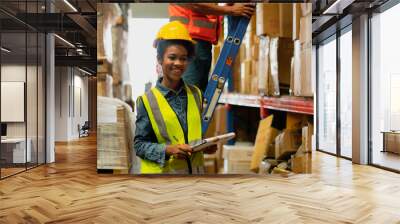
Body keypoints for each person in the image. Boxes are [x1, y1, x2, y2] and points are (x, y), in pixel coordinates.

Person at [134, 21, 217, 174]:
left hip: (195, 181)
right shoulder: (146, 101)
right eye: (172, 57)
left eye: (183, 58)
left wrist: (204, 146)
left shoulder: (196, 94)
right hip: (165, 184)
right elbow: (139, 145)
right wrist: (168, 150)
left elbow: (189, 136)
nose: (178, 63)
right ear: (160, 59)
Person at [169, 3, 255, 92]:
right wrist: (231, 10)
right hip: (188, 40)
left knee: (198, 93)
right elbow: (195, 4)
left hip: (201, 41)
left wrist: (229, 6)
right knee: (189, 93)